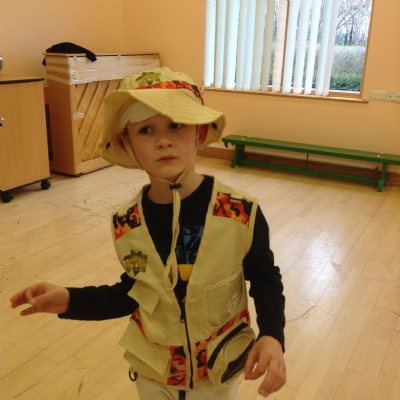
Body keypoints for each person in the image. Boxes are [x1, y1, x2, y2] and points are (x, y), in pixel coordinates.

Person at [10, 67, 286, 399]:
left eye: (176, 124)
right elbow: (132, 293)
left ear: (199, 133)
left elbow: (265, 277)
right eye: (146, 130)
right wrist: (71, 300)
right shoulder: (128, 223)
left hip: (218, 373)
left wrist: (272, 334)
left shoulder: (239, 212)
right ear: (127, 143)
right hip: (155, 374)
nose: (163, 140)